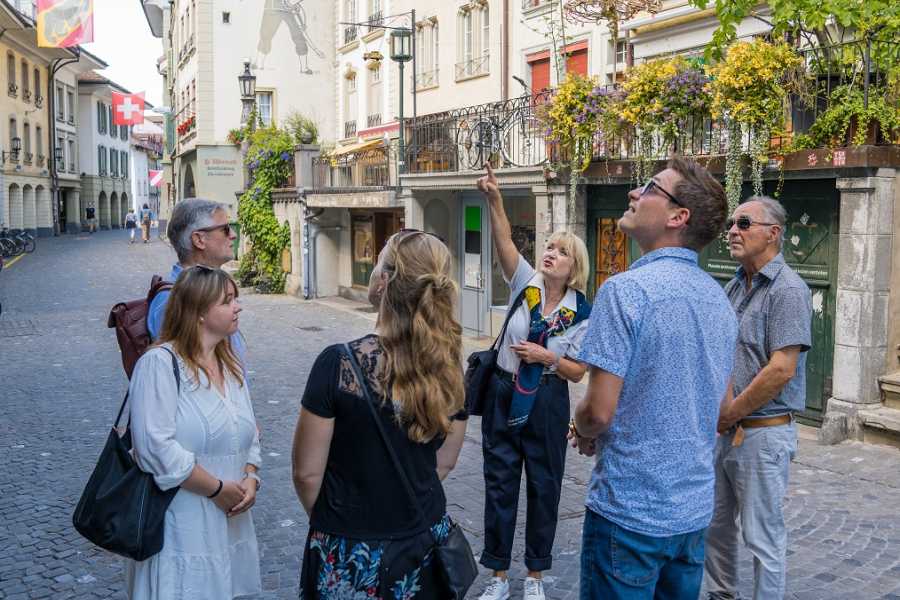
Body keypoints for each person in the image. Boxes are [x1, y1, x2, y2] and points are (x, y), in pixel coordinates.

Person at [571, 158, 738, 599]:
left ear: (677, 217)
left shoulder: (625, 291)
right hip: (692, 513)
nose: (633, 193)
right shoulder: (718, 299)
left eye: (648, 187)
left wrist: (583, 426)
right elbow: (722, 409)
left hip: (630, 511)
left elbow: (598, 412)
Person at [292, 229, 468, 599]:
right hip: (422, 540)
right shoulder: (449, 366)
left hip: (349, 549)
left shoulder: (337, 364)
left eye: (377, 261)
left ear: (384, 281)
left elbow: (307, 474)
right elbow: (445, 462)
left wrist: (336, 525)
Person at [474, 164, 592, 600]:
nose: (549, 254)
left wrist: (547, 357)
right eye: (548, 247)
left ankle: (536, 577)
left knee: (545, 487)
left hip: (547, 397)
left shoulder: (583, 312)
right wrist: (494, 197)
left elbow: (578, 371)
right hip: (505, 392)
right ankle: (499, 577)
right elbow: (504, 240)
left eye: (559, 251)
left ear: (573, 265)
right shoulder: (527, 285)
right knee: (500, 484)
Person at [125, 265, 262, 599]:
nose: (238, 307)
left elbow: (250, 433)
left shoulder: (230, 366)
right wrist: (216, 489)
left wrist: (251, 477)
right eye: (228, 301)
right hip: (181, 525)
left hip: (230, 523)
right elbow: (154, 448)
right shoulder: (159, 364)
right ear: (199, 312)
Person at [704, 197, 812, 600]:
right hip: (725, 433)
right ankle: (721, 596)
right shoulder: (734, 284)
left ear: (773, 233)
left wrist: (731, 410)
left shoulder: (788, 290)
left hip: (763, 435)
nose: (732, 230)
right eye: (732, 223)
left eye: (744, 222)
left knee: (762, 537)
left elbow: (781, 369)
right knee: (716, 528)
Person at [147, 199, 243, 362]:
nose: (233, 235)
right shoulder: (171, 299)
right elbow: (185, 372)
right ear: (199, 239)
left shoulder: (212, 287)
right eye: (225, 229)